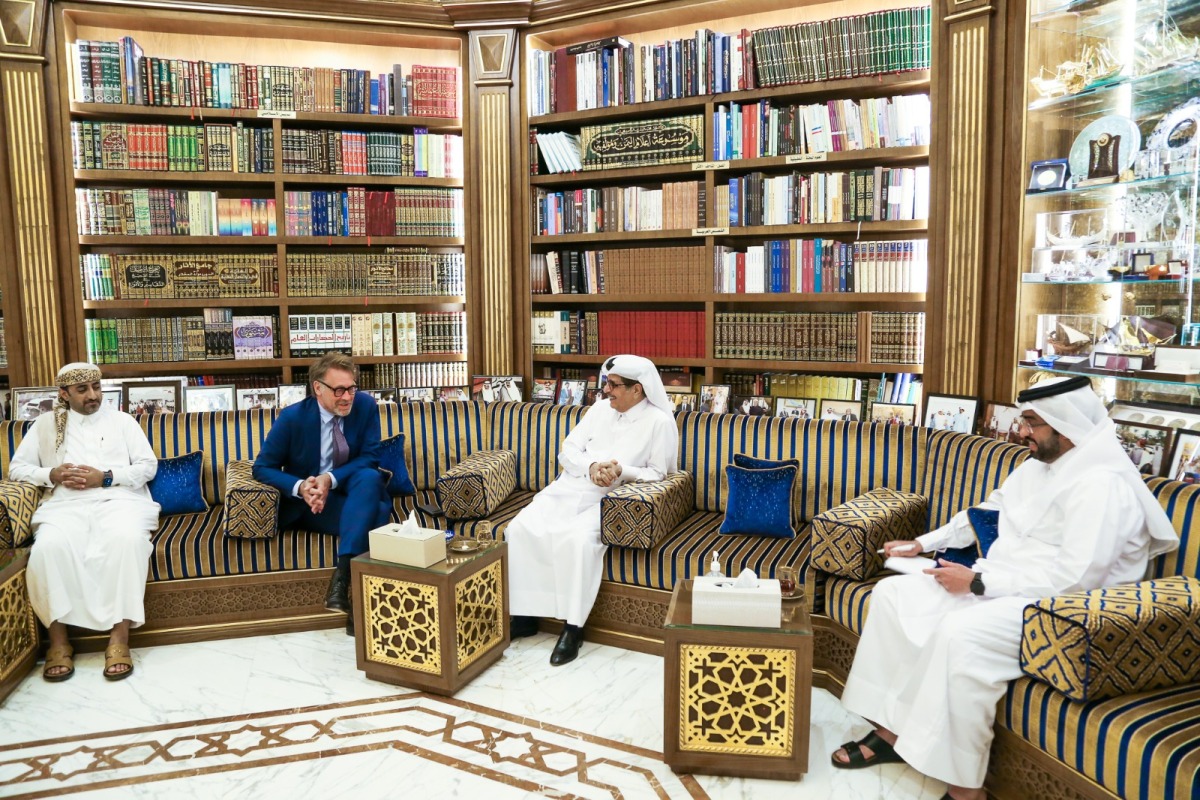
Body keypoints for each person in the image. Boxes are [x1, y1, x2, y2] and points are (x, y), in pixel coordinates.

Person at [830, 375, 1178, 800]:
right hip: (1002, 582)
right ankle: (891, 731)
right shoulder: (1039, 467)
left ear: (1066, 425)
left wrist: (977, 582)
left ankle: (965, 789)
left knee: (961, 637)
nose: (1023, 432)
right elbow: (987, 510)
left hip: (1064, 611)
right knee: (893, 595)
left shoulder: (1103, 485)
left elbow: (1076, 580)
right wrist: (922, 543)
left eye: (1032, 423)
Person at [507, 355, 678, 666]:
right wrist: (591, 467)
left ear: (637, 389)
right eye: (606, 384)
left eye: (613, 386)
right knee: (519, 529)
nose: (606, 391)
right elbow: (568, 449)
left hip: (614, 500)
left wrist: (620, 470)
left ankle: (573, 628)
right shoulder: (600, 410)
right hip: (571, 487)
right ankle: (525, 616)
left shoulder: (660, 423)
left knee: (577, 541)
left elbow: (659, 472)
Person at [11, 363, 161, 682]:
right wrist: (49, 474)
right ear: (63, 394)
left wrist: (106, 477)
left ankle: (119, 638)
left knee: (127, 541)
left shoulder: (122, 421)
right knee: (47, 550)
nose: (93, 396)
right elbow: (17, 470)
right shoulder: (44, 425)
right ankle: (59, 641)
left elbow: (147, 467)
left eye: (96, 387)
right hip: (66, 504)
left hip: (121, 499)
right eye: (83, 390)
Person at [253, 352, 391, 635]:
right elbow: (262, 468)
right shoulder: (292, 418)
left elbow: (370, 457)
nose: (347, 397)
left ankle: (342, 578)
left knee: (367, 475)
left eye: (352, 388)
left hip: (350, 487)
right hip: (314, 505)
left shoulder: (365, 406)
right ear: (318, 388)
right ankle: (360, 606)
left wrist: (330, 479)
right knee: (376, 514)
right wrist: (302, 487)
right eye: (339, 390)